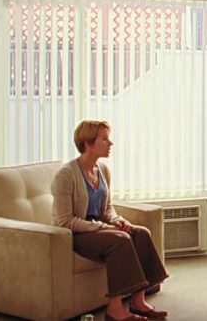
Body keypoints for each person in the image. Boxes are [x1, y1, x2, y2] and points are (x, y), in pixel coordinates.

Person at [51, 120, 169, 321]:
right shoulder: (65, 175)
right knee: (120, 239)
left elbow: (107, 208)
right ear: (88, 143)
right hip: (76, 234)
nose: (110, 143)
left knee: (140, 233)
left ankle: (138, 301)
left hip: (99, 228)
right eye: (104, 139)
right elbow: (65, 222)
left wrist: (118, 221)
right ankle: (114, 309)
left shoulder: (103, 170)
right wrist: (104, 227)